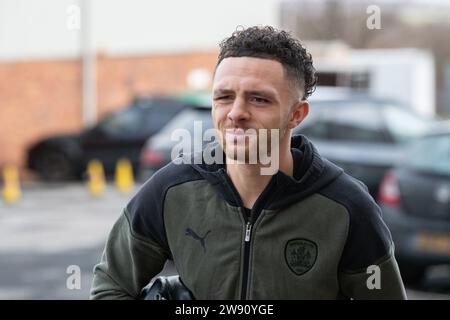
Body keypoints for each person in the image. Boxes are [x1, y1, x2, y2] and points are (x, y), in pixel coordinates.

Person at [90, 26, 407, 300]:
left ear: (296, 115)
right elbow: (111, 285)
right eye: (224, 97)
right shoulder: (171, 190)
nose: (236, 112)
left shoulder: (346, 207)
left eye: (259, 99)